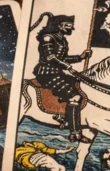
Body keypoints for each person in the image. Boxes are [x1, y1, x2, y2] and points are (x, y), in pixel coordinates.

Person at [32, 13, 92, 142]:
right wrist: (67, 66)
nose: (72, 28)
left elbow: (62, 58)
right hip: (46, 73)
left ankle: (66, 115)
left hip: (57, 72)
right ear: (60, 25)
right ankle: (75, 133)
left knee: (81, 85)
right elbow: (51, 57)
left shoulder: (61, 39)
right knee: (75, 98)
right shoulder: (47, 38)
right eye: (69, 25)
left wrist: (80, 57)